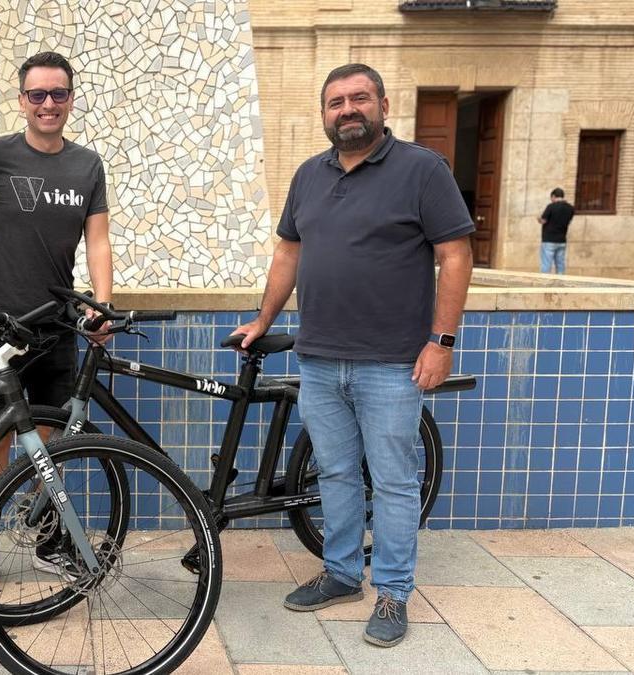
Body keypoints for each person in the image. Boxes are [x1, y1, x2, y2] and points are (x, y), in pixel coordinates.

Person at [232, 63, 473, 648]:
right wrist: (264, 319)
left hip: (392, 361)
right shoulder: (309, 176)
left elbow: (456, 256)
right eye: (336, 102)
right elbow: (288, 253)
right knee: (337, 473)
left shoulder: (422, 169)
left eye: (359, 98)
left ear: (383, 105)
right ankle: (341, 573)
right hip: (318, 357)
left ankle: (392, 592)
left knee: (391, 481)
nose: (348, 110)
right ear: (324, 114)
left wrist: (441, 342)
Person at [0, 51, 112, 576]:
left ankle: (49, 537)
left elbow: (98, 240)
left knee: (54, 439)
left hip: (57, 324)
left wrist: (102, 306)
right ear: (22, 100)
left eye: (58, 94)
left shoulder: (87, 164)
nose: (48, 104)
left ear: (71, 98)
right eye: (37, 95)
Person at [538, 187, 574, 274]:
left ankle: (544, 285)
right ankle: (560, 285)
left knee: (546, 264)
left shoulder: (551, 207)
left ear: (553, 196)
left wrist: (538, 218)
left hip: (549, 240)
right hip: (562, 240)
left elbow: (543, 220)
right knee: (560, 264)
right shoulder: (570, 208)